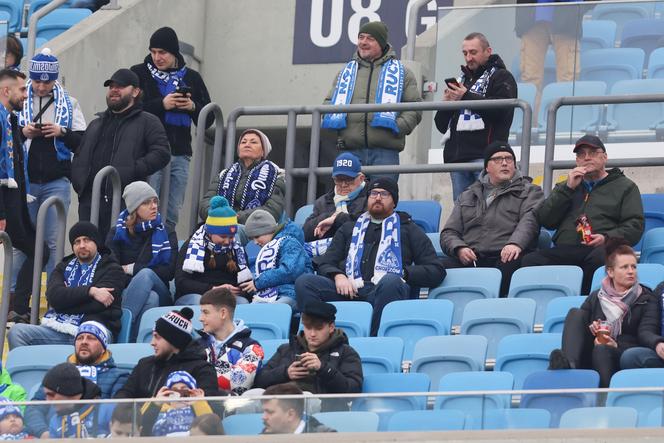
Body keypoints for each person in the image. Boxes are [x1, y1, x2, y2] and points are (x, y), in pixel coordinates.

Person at [295, 177, 446, 336]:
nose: (378, 198)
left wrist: (403, 273)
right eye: (373, 193)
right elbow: (326, 262)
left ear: (394, 202)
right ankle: (316, 339)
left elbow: (436, 270)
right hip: (349, 289)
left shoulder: (408, 229)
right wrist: (338, 276)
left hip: (385, 291)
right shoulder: (350, 228)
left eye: (384, 194)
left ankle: (375, 340)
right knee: (305, 282)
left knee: (391, 281)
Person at [521, 135, 644, 295]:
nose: (586, 157)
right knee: (530, 261)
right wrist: (567, 189)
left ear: (604, 157)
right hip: (567, 248)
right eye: (581, 154)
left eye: (592, 152)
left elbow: (635, 225)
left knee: (598, 260)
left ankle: (586, 301)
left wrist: (606, 237)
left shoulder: (625, 187)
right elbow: (547, 220)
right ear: (577, 161)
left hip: (602, 248)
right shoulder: (566, 186)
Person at [71, 68, 170, 241]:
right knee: (89, 252)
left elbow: (162, 152)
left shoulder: (148, 121)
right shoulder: (96, 123)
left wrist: (133, 170)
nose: (114, 90)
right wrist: (79, 181)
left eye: (121, 86)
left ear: (136, 91)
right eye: (111, 86)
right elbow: (80, 154)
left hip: (124, 201)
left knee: (114, 253)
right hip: (89, 200)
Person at [131, 27, 212, 231]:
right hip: (149, 152)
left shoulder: (192, 77)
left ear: (174, 53)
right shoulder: (138, 73)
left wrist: (193, 107)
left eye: (163, 52)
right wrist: (162, 104)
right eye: (153, 51)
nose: (157, 57)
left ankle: (166, 251)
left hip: (180, 154)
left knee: (172, 212)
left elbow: (209, 117)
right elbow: (130, 110)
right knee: (145, 208)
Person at [548, 240, 660, 387]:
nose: (631, 271)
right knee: (575, 313)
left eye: (633, 266)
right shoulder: (597, 296)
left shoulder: (646, 298)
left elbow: (645, 333)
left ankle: (605, 398)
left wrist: (616, 344)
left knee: (602, 349)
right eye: (624, 267)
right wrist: (592, 328)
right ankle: (570, 366)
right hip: (594, 349)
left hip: (622, 352)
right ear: (610, 271)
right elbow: (583, 325)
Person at [322, 21, 422, 182]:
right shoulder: (346, 72)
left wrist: (396, 127)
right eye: (361, 37)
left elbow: (414, 108)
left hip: (385, 152)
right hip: (350, 152)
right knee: (350, 202)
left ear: (381, 43)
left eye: (370, 38)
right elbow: (328, 104)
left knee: (382, 201)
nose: (363, 42)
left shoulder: (403, 73)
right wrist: (337, 126)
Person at [440, 141, 543, 296]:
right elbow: (448, 232)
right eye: (497, 159)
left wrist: (515, 244)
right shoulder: (467, 195)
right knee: (437, 267)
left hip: (507, 254)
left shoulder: (530, 191)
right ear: (487, 167)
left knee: (512, 264)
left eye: (509, 159)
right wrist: (459, 248)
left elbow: (529, 222)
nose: (504, 163)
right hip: (473, 258)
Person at [18, 48, 86, 275]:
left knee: (53, 242)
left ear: (55, 79)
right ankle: (15, 295)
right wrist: (23, 132)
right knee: (21, 242)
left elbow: (82, 142)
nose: (41, 87)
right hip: (24, 180)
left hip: (56, 180)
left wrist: (61, 131)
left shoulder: (70, 102)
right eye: (37, 81)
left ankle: (49, 293)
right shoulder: (19, 99)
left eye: (46, 83)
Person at [7, 222, 126, 349]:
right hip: (58, 328)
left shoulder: (112, 269)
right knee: (16, 332)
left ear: (96, 242)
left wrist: (65, 299)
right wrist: (90, 291)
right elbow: (54, 297)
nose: (82, 245)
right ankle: (33, 369)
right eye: (77, 242)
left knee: (87, 336)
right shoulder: (63, 267)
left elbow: (98, 305)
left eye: (87, 240)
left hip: (95, 329)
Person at [434, 32, 518, 201]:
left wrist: (465, 97)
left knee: (489, 212)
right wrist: (446, 105)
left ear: (488, 51)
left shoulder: (501, 76)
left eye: (473, 52)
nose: (468, 57)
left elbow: (502, 110)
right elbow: (442, 126)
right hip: (457, 160)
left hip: (486, 158)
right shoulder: (462, 80)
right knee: (463, 214)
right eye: (465, 53)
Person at [0, 68, 49, 325]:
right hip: (6, 206)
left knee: (40, 249)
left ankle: (17, 308)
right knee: (38, 249)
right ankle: (16, 307)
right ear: (6, 91)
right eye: (21, 90)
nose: (25, 95)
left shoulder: (9, 119)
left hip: (15, 202)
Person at [25, 321, 129, 438]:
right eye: (80, 338)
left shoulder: (119, 376)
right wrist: (44, 433)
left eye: (91, 338)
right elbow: (34, 408)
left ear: (103, 348)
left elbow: (120, 415)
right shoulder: (58, 373)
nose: (84, 342)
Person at [254, 300, 362, 409]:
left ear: (331, 327)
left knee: (306, 398)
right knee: (252, 395)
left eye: (319, 328)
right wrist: (285, 373)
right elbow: (259, 380)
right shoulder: (286, 349)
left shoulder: (346, 352)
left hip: (322, 408)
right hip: (281, 403)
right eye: (308, 328)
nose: (312, 334)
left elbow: (353, 390)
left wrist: (323, 368)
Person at [107, 181, 177, 340]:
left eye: (154, 201)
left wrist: (132, 269)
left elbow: (168, 271)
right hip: (127, 291)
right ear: (134, 208)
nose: (153, 206)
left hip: (162, 291)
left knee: (146, 274)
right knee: (151, 298)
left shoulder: (166, 232)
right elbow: (112, 271)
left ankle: (121, 331)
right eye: (146, 203)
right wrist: (133, 280)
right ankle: (138, 346)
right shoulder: (116, 233)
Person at [114, 307, 220, 399]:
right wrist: (153, 405)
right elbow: (123, 397)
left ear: (173, 340)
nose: (152, 343)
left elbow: (208, 413)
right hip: (141, 422)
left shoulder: (202, 369)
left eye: (157, 337)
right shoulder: (144, 365)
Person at [199, 129, 285, 234]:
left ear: (263, 151)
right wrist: (218, 215)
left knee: (233, 231)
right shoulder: (224, 174)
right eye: (243, 142)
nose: (247, 144)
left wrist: (236, 217)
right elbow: (206, 203)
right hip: (219, 224)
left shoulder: (276, 175)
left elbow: (273, 210)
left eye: (253, 142)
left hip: (255, 231)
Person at [175, 196, 253, 306]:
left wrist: (239, 290)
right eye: (223, 236)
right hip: (196, 295)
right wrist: (213, 289)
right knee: (200, 302)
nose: (227, 241)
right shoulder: (192, 245)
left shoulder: (237, 248)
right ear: (210, 233)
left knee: (243, 303)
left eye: (231, 237)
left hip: (227, 298)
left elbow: (245, 283)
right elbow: (181, 282)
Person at [515, 0, 581, 114]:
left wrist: (576, 9)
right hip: (531, 20)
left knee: (568, 79)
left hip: (567, 17)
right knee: (530, 79)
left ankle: (563, 123)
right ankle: (532, 126)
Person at [197, 287, 264, 395]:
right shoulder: (197, 344)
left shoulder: (251, 347)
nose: (200, 318)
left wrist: (197, 379)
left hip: (234, 409)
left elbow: (238, 383)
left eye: (206, 312)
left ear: (223, 313)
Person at [242, 210, 312, 309]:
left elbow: (290, 271)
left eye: (257, 236)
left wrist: (258, 282)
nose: (255, 242)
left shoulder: (290, 242)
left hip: (292, 293)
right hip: (271, 294)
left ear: (268, 230)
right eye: (252, 239)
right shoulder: (267, 248)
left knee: (274, 310)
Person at [302, 152, 368, 243]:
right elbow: (305, 234)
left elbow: (368, 229)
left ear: (361, 178)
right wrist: (328, 216)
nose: (344, 185)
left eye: (349, 180)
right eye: (339, 180)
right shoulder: (323, 201)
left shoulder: (372, 199)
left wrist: (336, 219)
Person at [42, 363, 114, 438]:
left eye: (51, 395)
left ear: (67, 391)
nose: (48, 401)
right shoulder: (55, 421)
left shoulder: (109, 410)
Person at [140, 371, 213, 437]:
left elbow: (211, 430)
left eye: (185, 392)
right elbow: (139, 428)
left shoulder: (198, 409)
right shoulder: (157, 410)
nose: (179, 397)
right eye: (174, 392)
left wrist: (199, 402)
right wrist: (155, 403)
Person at [261, 383, 335, 434]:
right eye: (264, 411)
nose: (264, 417)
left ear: (290, 414)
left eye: (270, 412)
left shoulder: (326, 437)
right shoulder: (264, 437)